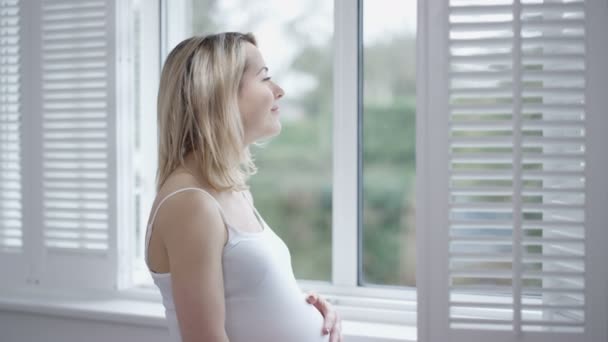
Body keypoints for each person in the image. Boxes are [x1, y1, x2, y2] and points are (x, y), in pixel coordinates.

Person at [144, 32, 343, 342]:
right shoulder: (190, 203)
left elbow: (245, 298)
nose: (279, 90)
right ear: (220, 94)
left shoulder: (231, 190)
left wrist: (309, 312)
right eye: (265, 78)